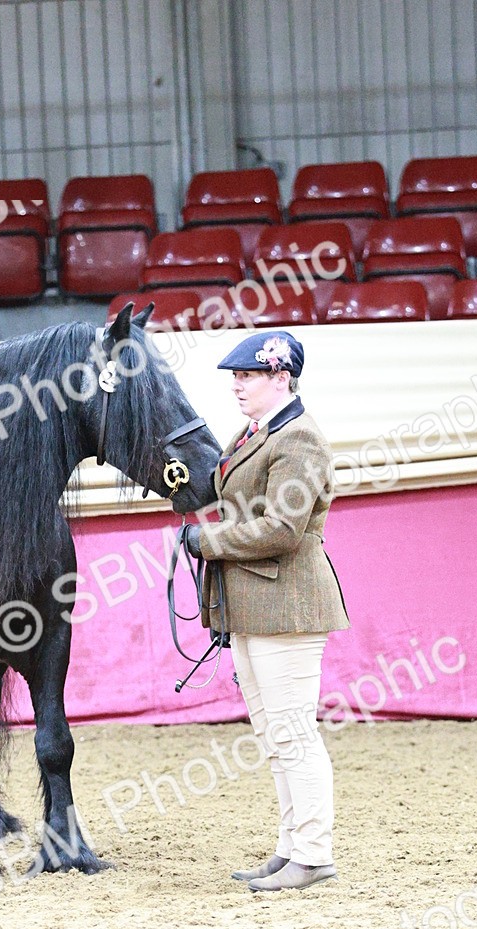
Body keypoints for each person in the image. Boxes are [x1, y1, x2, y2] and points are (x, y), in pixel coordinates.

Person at [185, 330, 349, 892]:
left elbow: (283, 528)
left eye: (248, 376)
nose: (237, 385)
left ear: (281, 378)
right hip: (256, 605)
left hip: (288, 604)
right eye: (236, 376)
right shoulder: (257, 433)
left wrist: (208, 542)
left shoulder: (299, 439)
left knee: (294, 734)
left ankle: (314, 851)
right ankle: (292, 846)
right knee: (275, 737)